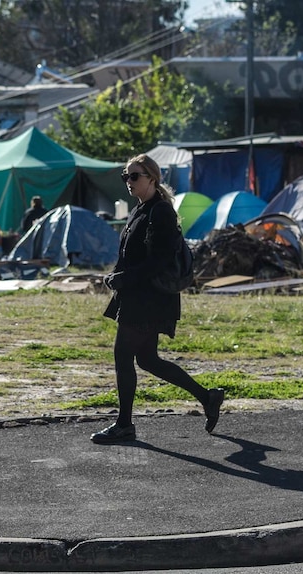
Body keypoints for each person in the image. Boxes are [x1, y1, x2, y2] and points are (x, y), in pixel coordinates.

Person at [92, 154, 224, 444]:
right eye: (125, 176)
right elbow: (131, 254)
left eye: (134, 176)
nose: (129, 181)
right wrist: (115, 274)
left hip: (150, 298)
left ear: (152, 178)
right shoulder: (140, 210)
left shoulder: (160, 211)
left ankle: (125, 424)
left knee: (123, 355)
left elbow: (160, 260)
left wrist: (124, 278)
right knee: (148, 359)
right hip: (138, 295)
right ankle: (208, 397)